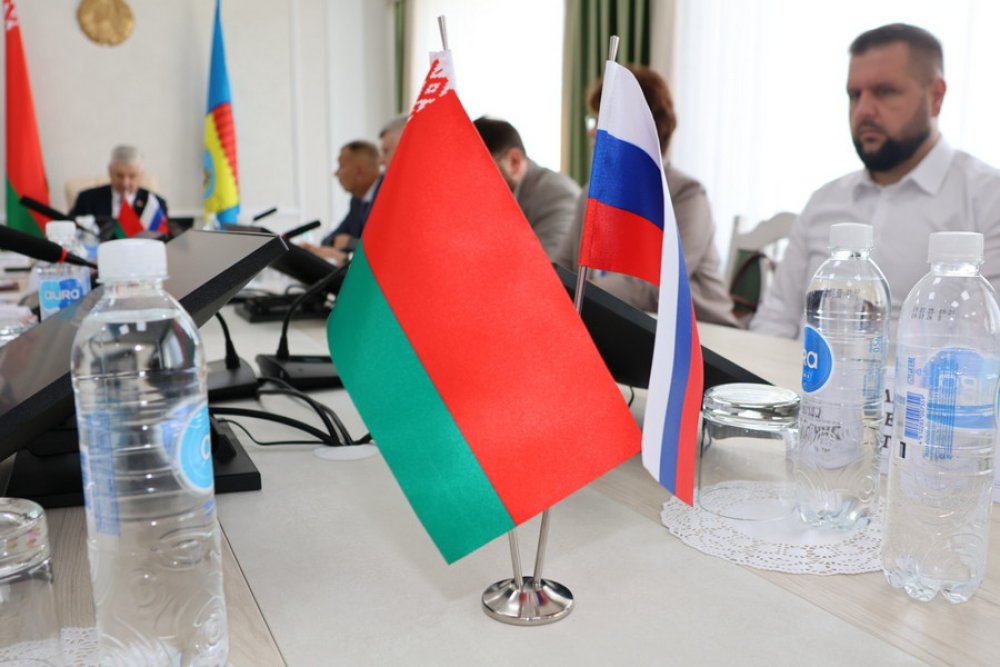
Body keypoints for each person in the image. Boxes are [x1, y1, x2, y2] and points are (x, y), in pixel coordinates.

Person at [752, 23, 1000, 339]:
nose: (864, 110)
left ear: (936, 96)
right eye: (854, 95)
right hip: (806, 370)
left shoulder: (988, 199)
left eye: (885, 91)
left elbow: (988, 339)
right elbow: (775, 320)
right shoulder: (824, 201)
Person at [554, 65, 737, 326]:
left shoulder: (686, 195)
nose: (592, 132)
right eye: (594, 120)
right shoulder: (590, 195)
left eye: (603, 119)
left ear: (641, 127)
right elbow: (562, 267)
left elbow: (658, 283)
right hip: (618, 328)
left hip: (704, 336)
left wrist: (581, 293)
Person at [473, 117, 579, 260]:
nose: (472, 182)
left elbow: (547, 268)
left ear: (514, 161)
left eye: (479, 170)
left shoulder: (557, 195)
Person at [301, 140, 382, 264]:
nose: (336, 173)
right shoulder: (357, 201)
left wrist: (351, 243)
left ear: (359, 171)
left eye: (341, 166)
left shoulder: (390, 195)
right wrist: (329, 246)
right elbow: (329, 239)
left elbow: (385, 248)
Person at [69, 145, 168, 224]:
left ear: (141, 175)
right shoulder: (86, 199)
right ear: (110, 172)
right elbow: (72, 228)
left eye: (132, 176)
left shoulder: (156, 204)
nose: (125, 183)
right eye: (120, 176)